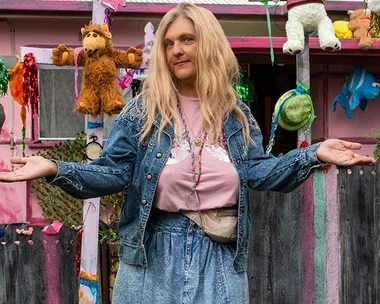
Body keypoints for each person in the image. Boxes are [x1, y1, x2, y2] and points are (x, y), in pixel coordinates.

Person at [0, 2, 375, 303]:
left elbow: (261, 173)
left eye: (187, 39)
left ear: (208, 43)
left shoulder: (236, 115)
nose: (176, 50)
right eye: (169, 42)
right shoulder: (144, 111)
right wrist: (53, 166)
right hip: (151, 257)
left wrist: (314, 153)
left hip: (221, 259)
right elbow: (112, 173)